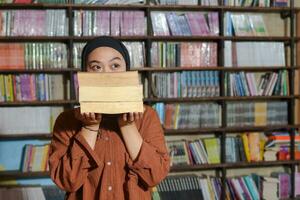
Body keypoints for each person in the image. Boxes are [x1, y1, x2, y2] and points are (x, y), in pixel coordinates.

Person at [48, 36, 170, 200]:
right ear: (84, 74)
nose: (106, 74)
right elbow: (66, 181)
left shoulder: (147, 116)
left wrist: (127, 125)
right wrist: (90, 127)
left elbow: (155, 176)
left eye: (115, 66)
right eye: (96, 67)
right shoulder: (67, 121)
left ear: (127, 70)